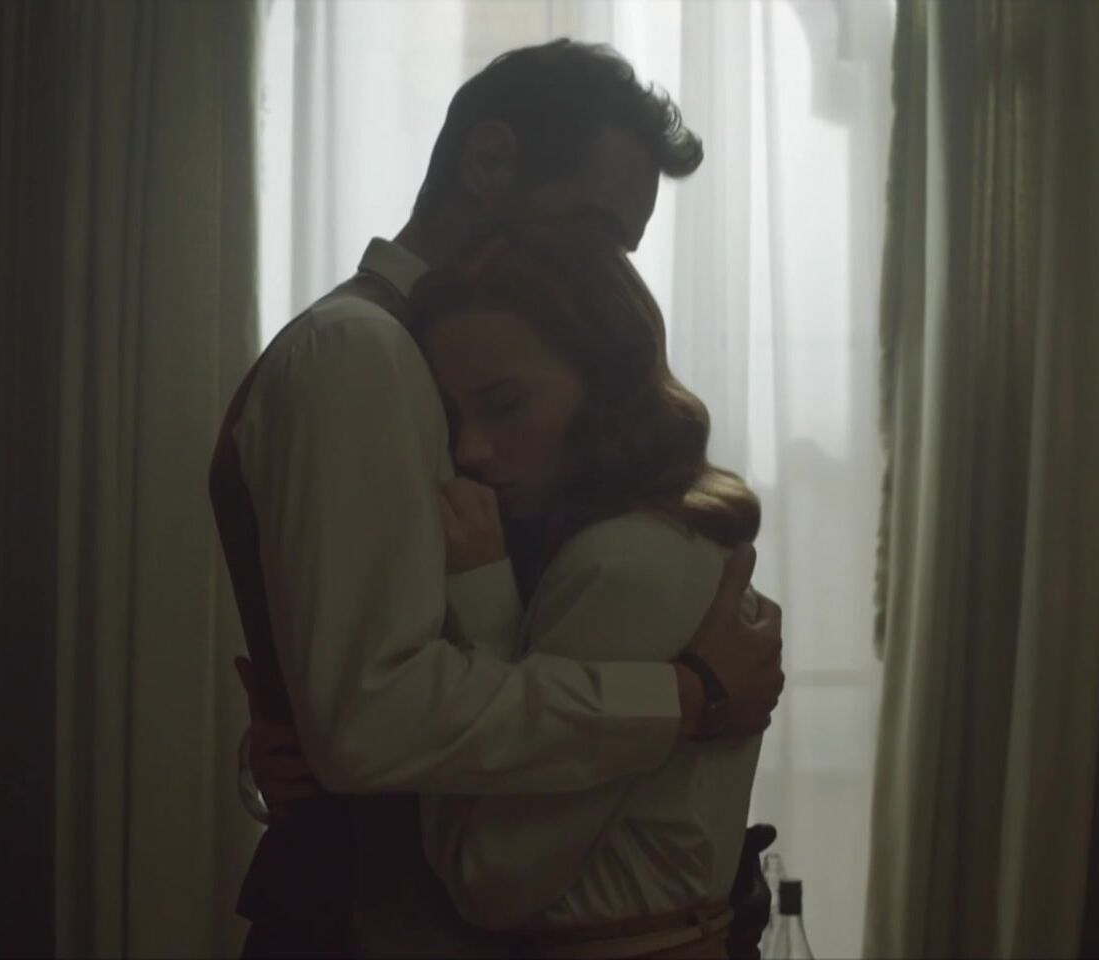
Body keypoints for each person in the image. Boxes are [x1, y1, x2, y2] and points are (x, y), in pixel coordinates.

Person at [208, 40, 786, 958]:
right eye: (594, 229)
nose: (606, 269)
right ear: (488, 162)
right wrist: (684, 695)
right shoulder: (358, 353)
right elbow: (369, 710)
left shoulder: (449, 360)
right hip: (373, 925)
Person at [412, 211, 766, 959]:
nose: (470, 451)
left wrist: (480, 606)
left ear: (605, 385)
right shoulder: (651, 537)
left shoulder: (621, 563)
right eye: (453, 417)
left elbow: (489, 880)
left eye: (504, 405)